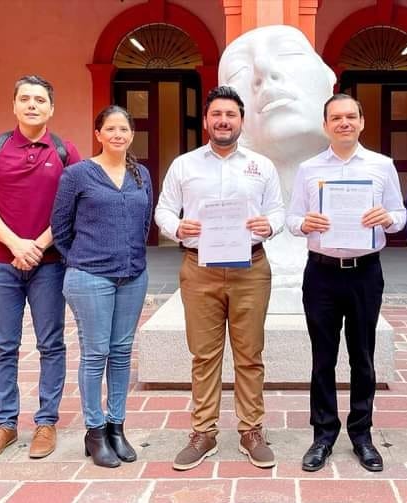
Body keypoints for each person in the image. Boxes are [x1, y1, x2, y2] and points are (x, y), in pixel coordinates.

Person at [155, 86, 285, 471]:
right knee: (204, 355)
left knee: (250, 354)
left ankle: (251, 429)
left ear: (242, 121)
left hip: (250, 268)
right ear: (206, 120)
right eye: (217, 114)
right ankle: (204, 432)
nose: (223, 121)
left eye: (230, 114)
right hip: (200, 269)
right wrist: (177, 227)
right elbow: (164, 210)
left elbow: (278, 210)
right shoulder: (184, 165)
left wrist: (269, 225)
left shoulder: (262, 166)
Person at [286, 93, 406, 473]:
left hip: (365, 273)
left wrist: (387, 218)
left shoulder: (381, 166)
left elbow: (400, 215)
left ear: (362, 122)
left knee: (362, 356)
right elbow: (292, 219)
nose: (344, 123)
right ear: (325, 125)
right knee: (323, 357)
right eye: (336, 117)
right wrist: (305, 224)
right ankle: (323, 435)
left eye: (351, 116)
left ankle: (362, 435)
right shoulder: (308, 169)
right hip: (321, 273)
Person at [0, 75, 80, 461]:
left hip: (49, 265)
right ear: (14, 105)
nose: (32, 105)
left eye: (40, 100)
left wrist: (37, 245)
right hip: (0, 264)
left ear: (52, 108)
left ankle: (46, 422)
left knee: (51, 343)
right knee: (4, 345)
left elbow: (73, 206)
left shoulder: (65, 151)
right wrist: (16, 244)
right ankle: (4, 423)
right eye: (25, 99)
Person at [50, 105, 152, 468]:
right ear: (98, 134)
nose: (118, 134)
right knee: (96, 354)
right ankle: (94, 431)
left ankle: (116, 426)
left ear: (131, 134)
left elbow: (144, 224)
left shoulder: (141, 174)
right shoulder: (78, 174)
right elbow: (60, 227)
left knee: (122, 352)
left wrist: (130, 257)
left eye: (124, 129)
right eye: (110, 128)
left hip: (133, 276)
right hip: (90, 276)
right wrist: (82, 259)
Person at [219, 24, 336, 281]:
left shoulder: (369, 169)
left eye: (288, 52)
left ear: (329, 79)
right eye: (238, 71)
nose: (262, 68)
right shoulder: (210, 181)